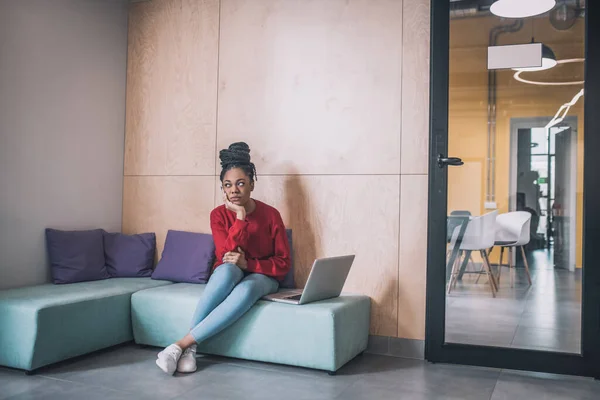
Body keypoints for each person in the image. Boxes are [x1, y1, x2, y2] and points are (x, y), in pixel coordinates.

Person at [155, 142, 291, 375]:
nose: (234, 190)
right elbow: (224, 253)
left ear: (252, 184)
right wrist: (239, 218)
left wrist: (251, 264)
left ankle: (181, 345)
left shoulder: (271, 215)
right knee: (228, 269)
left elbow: (283, 263)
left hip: (263, 275)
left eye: (240, 183)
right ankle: (190, 349)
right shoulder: (218, 215)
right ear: (223, 189)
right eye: (228, 185)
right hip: (230, 270)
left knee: (248, 288)